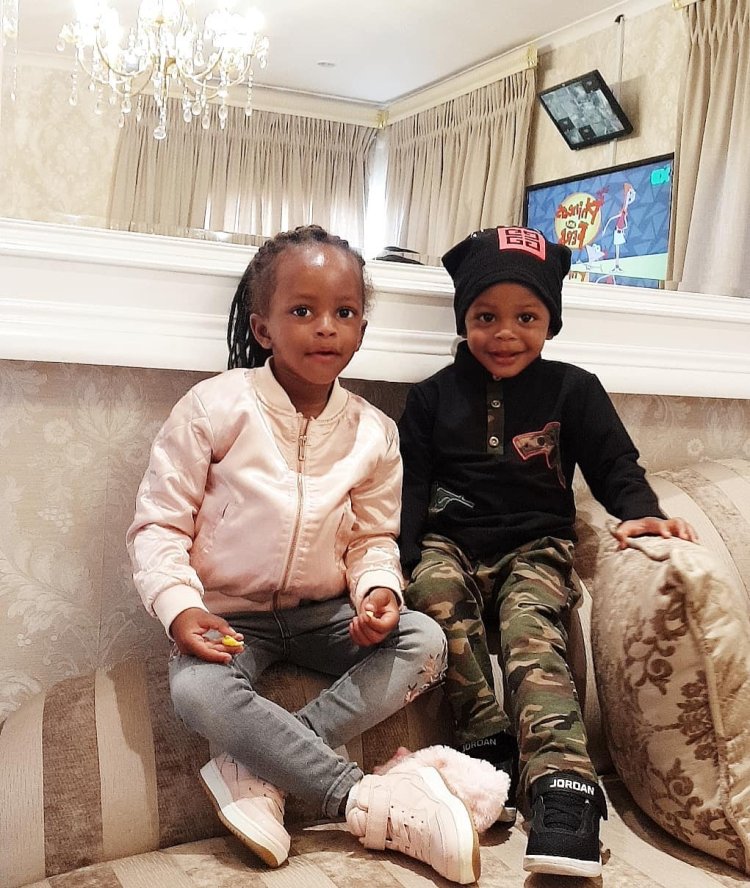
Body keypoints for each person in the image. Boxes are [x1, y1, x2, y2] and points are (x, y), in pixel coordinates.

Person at [126, 225, 481, 885]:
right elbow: (158, 526)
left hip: (325, 614)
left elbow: (373, 539)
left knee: (426, 641)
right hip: (231, 617)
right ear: (262, 328)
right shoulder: (212, 408)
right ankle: (363, 800)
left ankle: (255, 769)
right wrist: (180, 609)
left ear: (362, 330)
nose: (326, 327)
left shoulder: (374, 433)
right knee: (196, 691)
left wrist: (378, 592)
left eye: (344, 312)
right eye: (302, 310)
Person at [397, 225, 698, 878]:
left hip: (536, 547)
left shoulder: (574, 390)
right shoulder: (429, 398)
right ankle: (486, 742)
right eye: (486, 317)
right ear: (464, 318)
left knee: (530, 626)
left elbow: (615, 464)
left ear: (550, 322)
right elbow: (410, 487)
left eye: (526, 318)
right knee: (432, 590)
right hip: (451, 544)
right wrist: (404, 560)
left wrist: (641, 513)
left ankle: (564, 784)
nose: (505, 334)